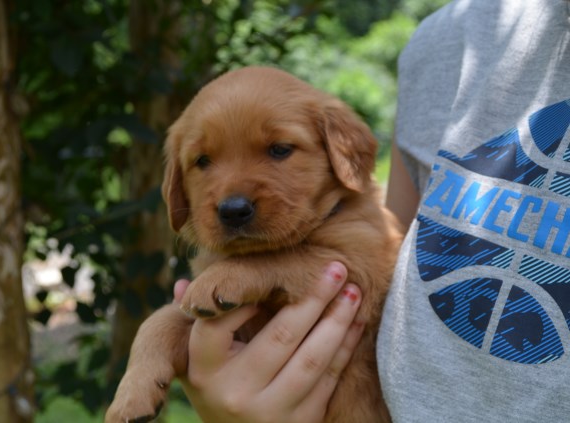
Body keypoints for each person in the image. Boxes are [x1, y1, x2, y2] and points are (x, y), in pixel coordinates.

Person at [174, 0, 570, 421]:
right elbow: (394, 268)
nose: (233, 198)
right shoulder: (442, 45)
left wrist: (258, 276)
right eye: (202, 162)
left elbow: (368, 273)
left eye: (278, 150)